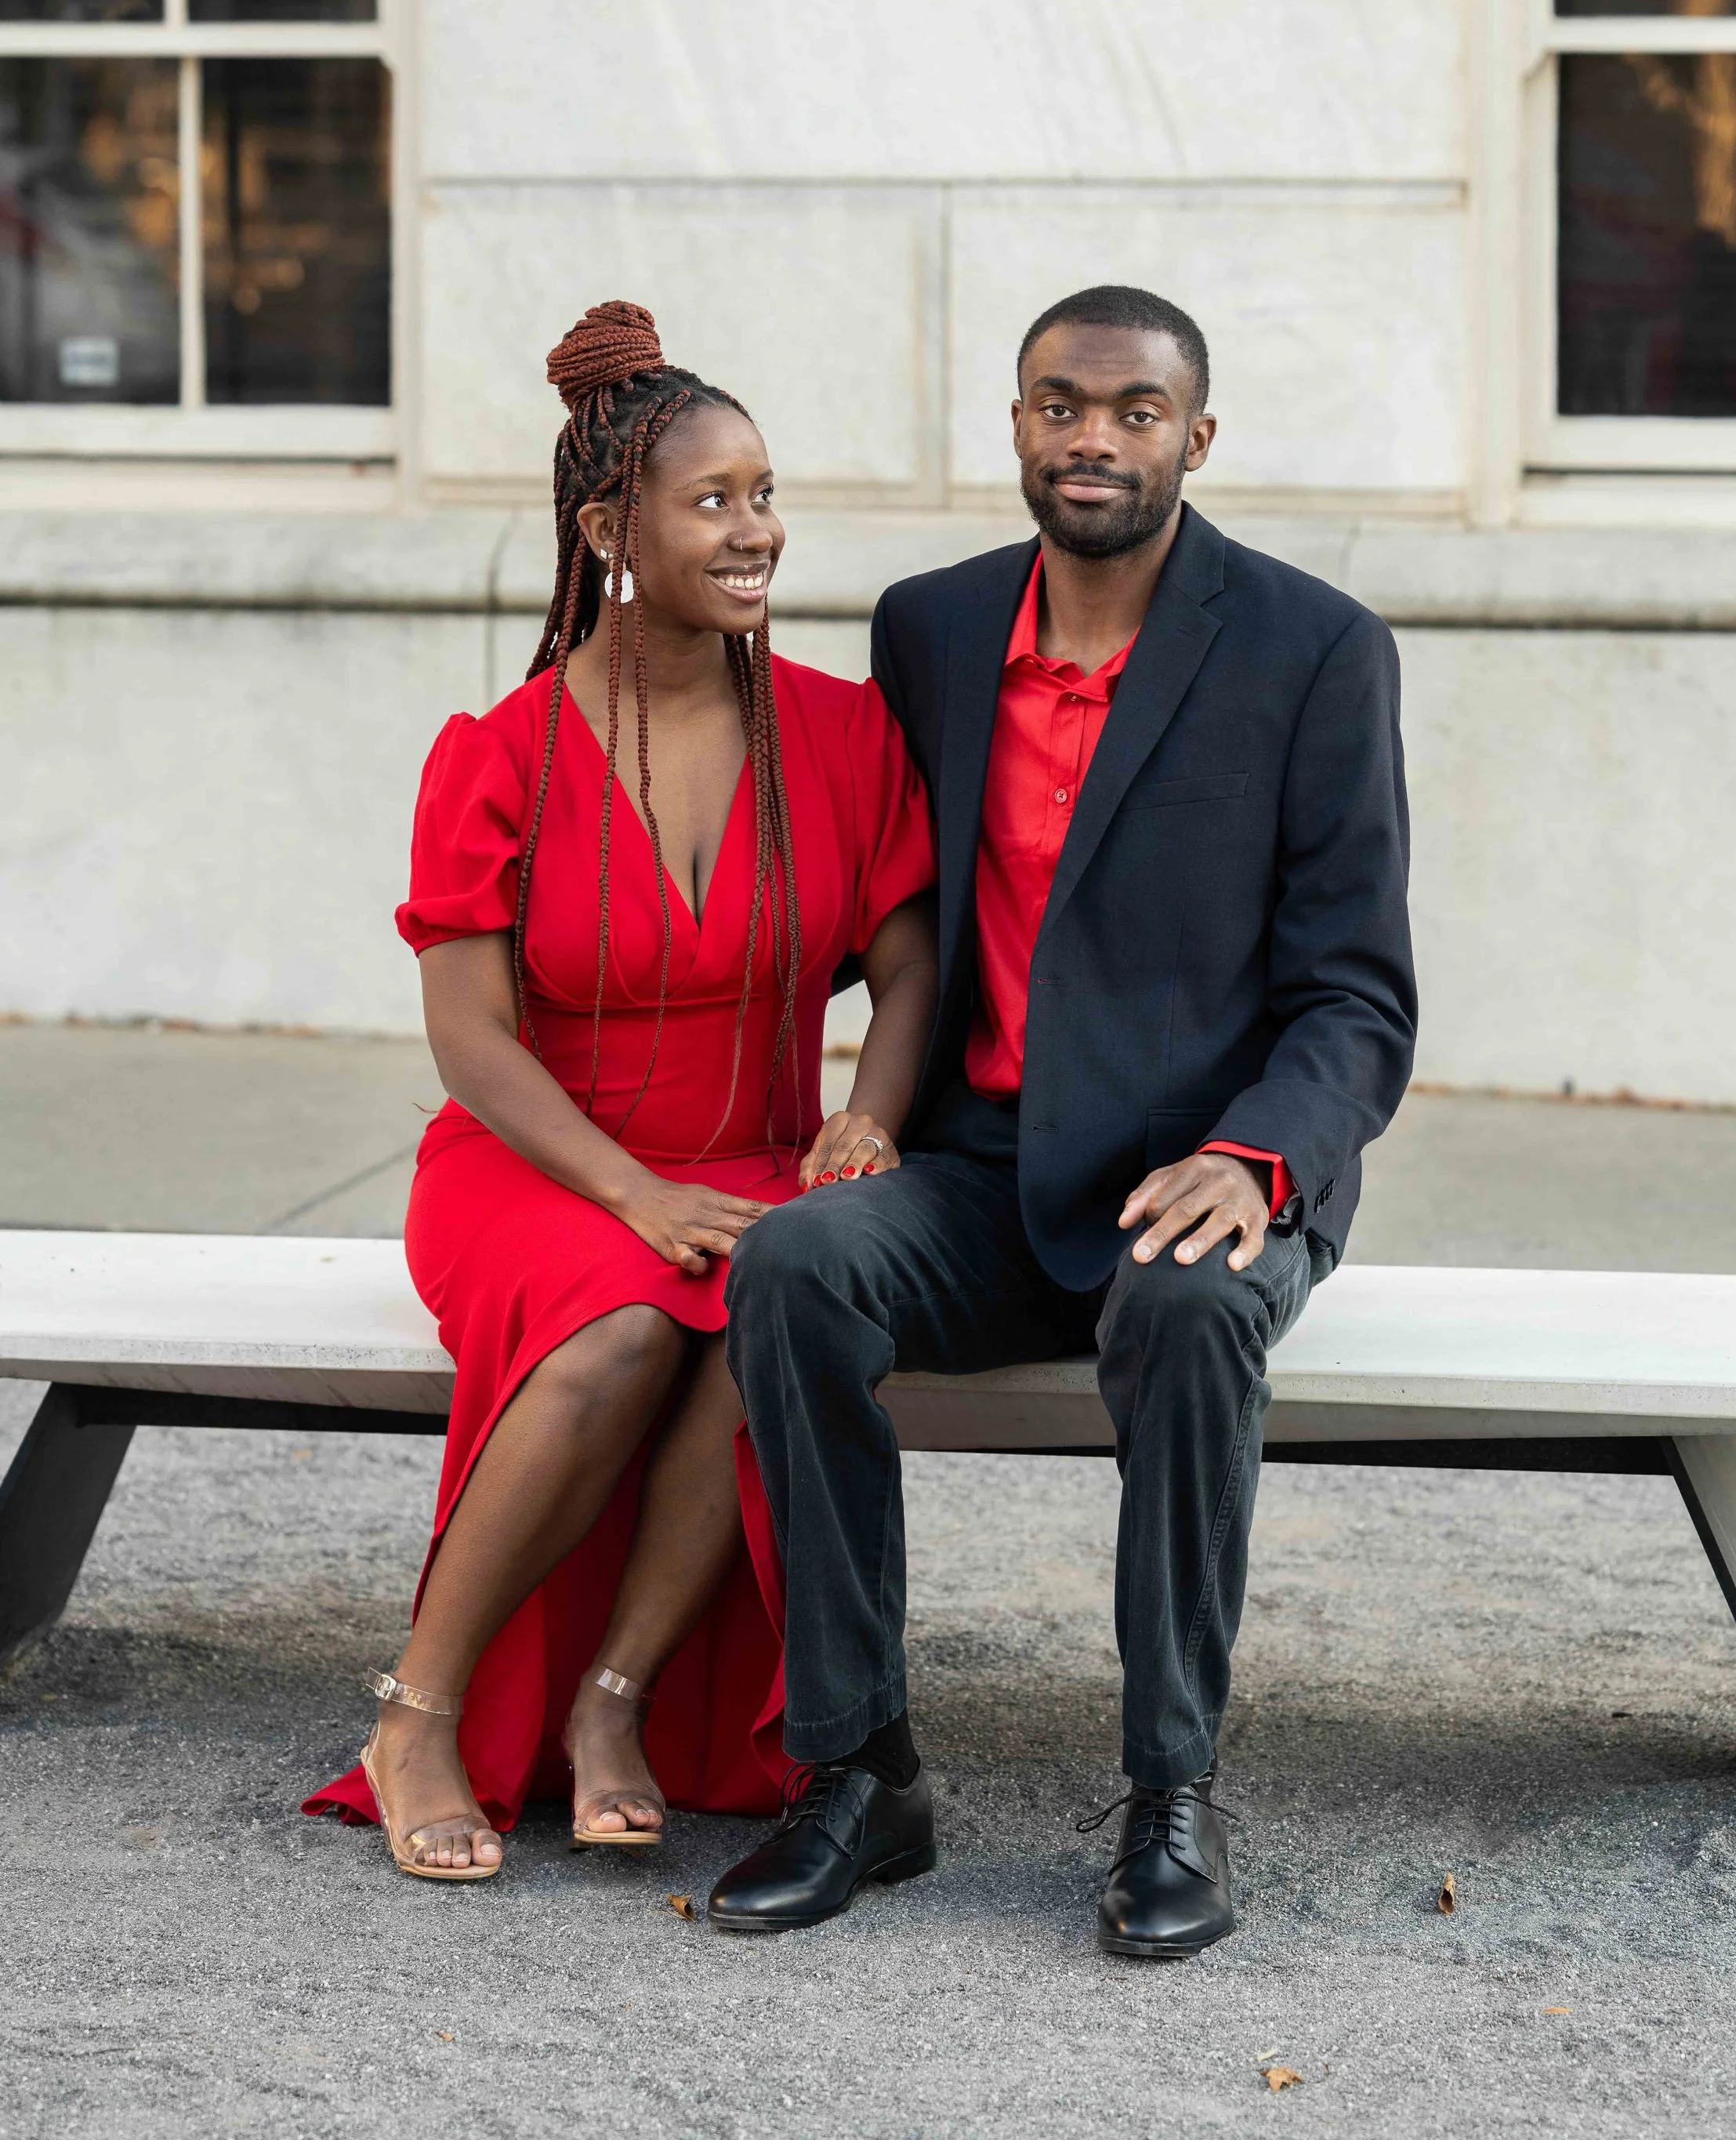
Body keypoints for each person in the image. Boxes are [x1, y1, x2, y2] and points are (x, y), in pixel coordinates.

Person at [711, 284, 1416, 1955]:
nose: (1089, 437)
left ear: (1194, 436)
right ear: (1016, 420)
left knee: (1180, 1305)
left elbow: (1356, 998)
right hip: (978, 1162)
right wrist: (859, 1107)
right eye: (1054, 404)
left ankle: (1170, 1792)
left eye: (1129, 411)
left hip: (1203, 1170)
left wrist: (1253, 1158)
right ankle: (859, 1773)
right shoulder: (933, 630)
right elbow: (893, 911)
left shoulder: (1314, 647)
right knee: (795, 1270)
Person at [304, 299, 937, 1879]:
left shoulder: (845, 739)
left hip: (756, 1156)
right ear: (608, 529)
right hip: (535, 1167)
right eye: (713, 502)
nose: (758, 532)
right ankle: (416, 1713)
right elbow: (471, 1039)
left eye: (765, 494)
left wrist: (869, 1114)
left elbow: (914, 969)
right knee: (631, 1316)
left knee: (775, 1293)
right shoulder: (500, 755)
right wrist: (630, 1190)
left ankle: (612, 1698)